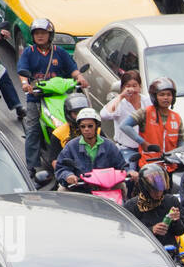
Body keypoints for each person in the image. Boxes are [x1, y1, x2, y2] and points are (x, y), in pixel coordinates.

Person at [16, 19, 89, 175]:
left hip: (61, 96)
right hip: (36, 97)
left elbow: (73, 70)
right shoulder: (29, 52)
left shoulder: (60, 52)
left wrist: (80, 78)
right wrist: (25, 84)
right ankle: (31, 167)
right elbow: (22, 72)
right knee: (33, 130)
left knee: (80, 122)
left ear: (50, 35)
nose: (40, 36)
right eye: (37, 34)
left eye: (43, 33)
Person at [54, 110, 134, 189]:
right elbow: (61, 168)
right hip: (79, 189)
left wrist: (130, 171)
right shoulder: (71, 146)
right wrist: (68, 175)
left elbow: (121, 166)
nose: (86, 129)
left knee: (122, 187)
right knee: (62, 190)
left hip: (106, 187)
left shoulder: (109, 145)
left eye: (90, 126)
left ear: (97, 126)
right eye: (83, 126)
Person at [120, 77, 184, 170]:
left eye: (169, 95)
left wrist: (183, 150)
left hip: (170, 167)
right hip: (149, 167)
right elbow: (124, 126)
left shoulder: (177, 118)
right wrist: (142, 143)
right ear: (155, 97)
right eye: (162, 95)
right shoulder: (145, 113)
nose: (166, 98)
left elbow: (181, 141)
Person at [125, 163, 184, 243]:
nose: (158, 194)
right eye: (154, 190)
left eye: (161, 190)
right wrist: (151, 230)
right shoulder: (132, 206)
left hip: (169, 249)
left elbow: (180, 231)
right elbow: (127, 233)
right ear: (145, 189)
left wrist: (176, 220)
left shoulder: (171, 201)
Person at [99, 71, 145, 165]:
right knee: (129, 172)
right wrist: (120, 96)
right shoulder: (120, 103)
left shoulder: (147, 101)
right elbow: (104, 115)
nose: (131, 89)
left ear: (140, 87)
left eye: (134, 85)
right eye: (128, 86)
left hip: (146, 148)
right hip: (127, 149)